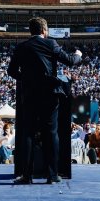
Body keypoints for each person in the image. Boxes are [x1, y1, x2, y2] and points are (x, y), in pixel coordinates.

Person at [8, 17, 82, 184]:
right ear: (44, 31)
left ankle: (27, 175)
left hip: (29, 96)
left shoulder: (22, 47)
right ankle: (52, 174)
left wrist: (26, 80)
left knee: (28, 134)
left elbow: (11, 71)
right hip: (49, 95)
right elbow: (70, 61)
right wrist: (78, 55)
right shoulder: (50, 44)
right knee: (51, 133)